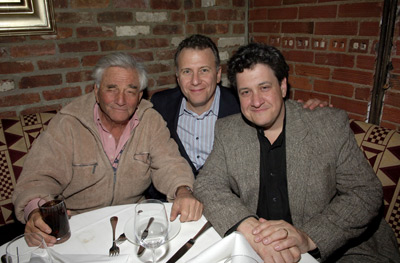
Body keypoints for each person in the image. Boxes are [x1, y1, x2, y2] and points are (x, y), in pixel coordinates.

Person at [193, 43, 400, 262]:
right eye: (246, 92)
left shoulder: (326, 124)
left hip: (341, 248)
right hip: (261, 247)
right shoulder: (228, 130)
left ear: (282, 87)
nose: (255, 101)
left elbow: (366, 192)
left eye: (264, 87)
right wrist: (248, 226)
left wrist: (309, 237)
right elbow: (207, 184)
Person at [12, 52, 203, 246]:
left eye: (130, 90)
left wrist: (183, 190)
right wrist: (37, 213)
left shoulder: (150, 120)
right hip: (77, 228)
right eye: (112, 89)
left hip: (132, 225)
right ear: (96, 91)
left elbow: (170, 163)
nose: (121, 100)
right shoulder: (68, 124)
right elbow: (38, 178)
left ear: (139, 96)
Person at [148, 34, 328, 199]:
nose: (195, 81)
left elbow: (274, 107)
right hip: (175, 205)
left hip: (229, 205)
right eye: (187, 71)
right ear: (178, 78)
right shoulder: (161, 105)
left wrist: (309, 110)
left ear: (218, 74)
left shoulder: (243, 103)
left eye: (204, 70)